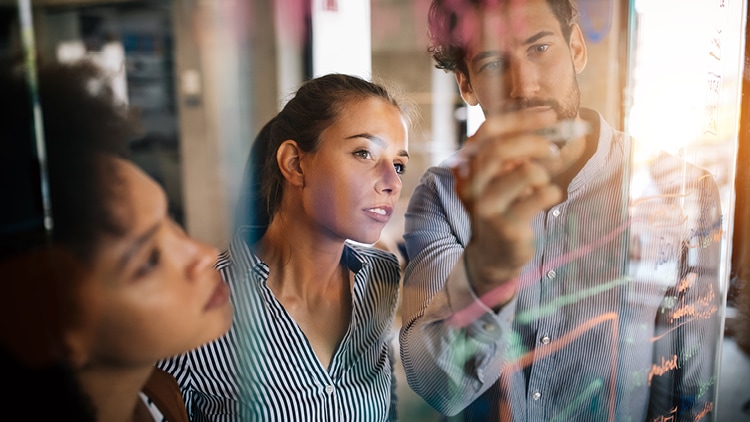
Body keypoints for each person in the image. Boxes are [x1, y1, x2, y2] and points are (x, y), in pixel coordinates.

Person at [399, 0, 723, 421]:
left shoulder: (682, 191)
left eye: (540, 49)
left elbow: (692, 392)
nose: (525, 85)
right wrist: (488, 270)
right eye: (495, 63)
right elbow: (440, 389)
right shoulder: (442, 195)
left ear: (576, 49)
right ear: (467, 84)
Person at [158, 73, 413, 421]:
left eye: (398, 164)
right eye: (364, 153)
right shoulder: (199, 301)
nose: (392, 182)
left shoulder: (381, 280)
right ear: (294, 163)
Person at [0, 60, 234, 421]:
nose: (205, 255)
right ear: (48, 319)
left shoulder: (163, 399)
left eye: (171, 221)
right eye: (149, 261)